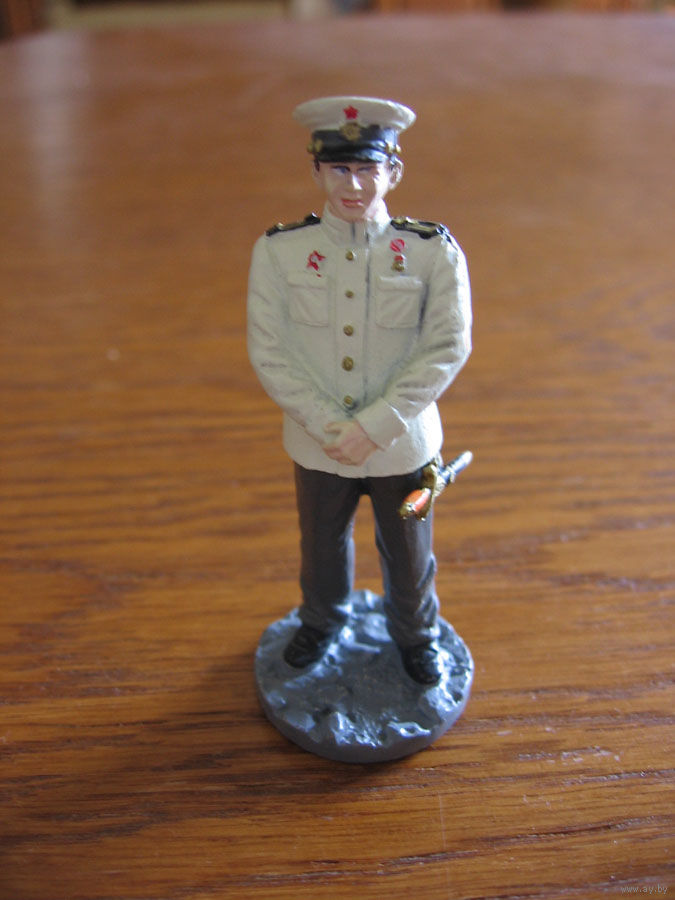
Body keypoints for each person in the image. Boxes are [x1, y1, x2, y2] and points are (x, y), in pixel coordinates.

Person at [247, 96, 471, 685]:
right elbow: (270, 351)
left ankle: (416, 635)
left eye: (368, 168)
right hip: (318, 443)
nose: (353, 184)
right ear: (317, 170)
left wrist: (375, 426)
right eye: (339, 168)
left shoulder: (431, 251)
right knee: (321, 546)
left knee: (410, 551)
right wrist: (331, 427)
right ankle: (321, 622)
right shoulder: (280, 251)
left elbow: (447, 346)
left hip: (403, 443)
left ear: (393, 172)